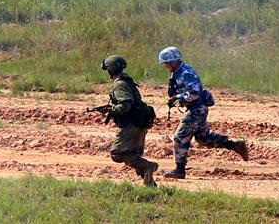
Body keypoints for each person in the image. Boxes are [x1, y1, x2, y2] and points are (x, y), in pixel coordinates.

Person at [158, 47, 248, 180]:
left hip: (197, 109)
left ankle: (179, 170)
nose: (165, 66)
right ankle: (234, 145)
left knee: (180, 137)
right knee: (204, 139)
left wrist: (178, 98)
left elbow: (194, 93)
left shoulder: (185, 73)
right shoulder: (178, 72)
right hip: (196, 108)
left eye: (166, 63)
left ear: (172, 61)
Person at [98, 55, 159, 187]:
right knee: (132, 154)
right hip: (139, 122)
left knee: (118, 153)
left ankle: (148, 166)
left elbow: (126, 105)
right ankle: (151, 186)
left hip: (131, 125)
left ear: (110, 70)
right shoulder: (127, 81)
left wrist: (111, 110)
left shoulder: (119, 84)